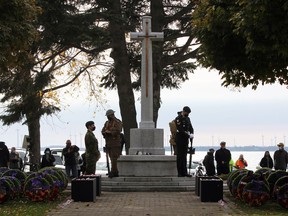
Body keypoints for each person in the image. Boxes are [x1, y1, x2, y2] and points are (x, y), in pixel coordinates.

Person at [102, 109, 122, 178]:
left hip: (115, 143)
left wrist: (110, 132)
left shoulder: (117, 122)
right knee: (111, 158)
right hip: (108, 143)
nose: (108, 117)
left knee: (114, 158)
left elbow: (118, 131)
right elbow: (103, 130)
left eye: (109, 115)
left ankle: (114, 172)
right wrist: (105, 132)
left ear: (112, 115)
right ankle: (113, 171)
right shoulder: (107, 123)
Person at [175, 106, 194, 177]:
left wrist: (192, 134)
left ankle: (184, 172)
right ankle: (180, 172)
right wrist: (188, 135)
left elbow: (191, 127)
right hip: (180, 139)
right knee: (180, 156)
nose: (187, 114)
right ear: (184, 111)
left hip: (185, 140)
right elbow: (180, 129)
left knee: (184, 156)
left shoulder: (188, 118)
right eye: (187, 112)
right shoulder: (178, 118)